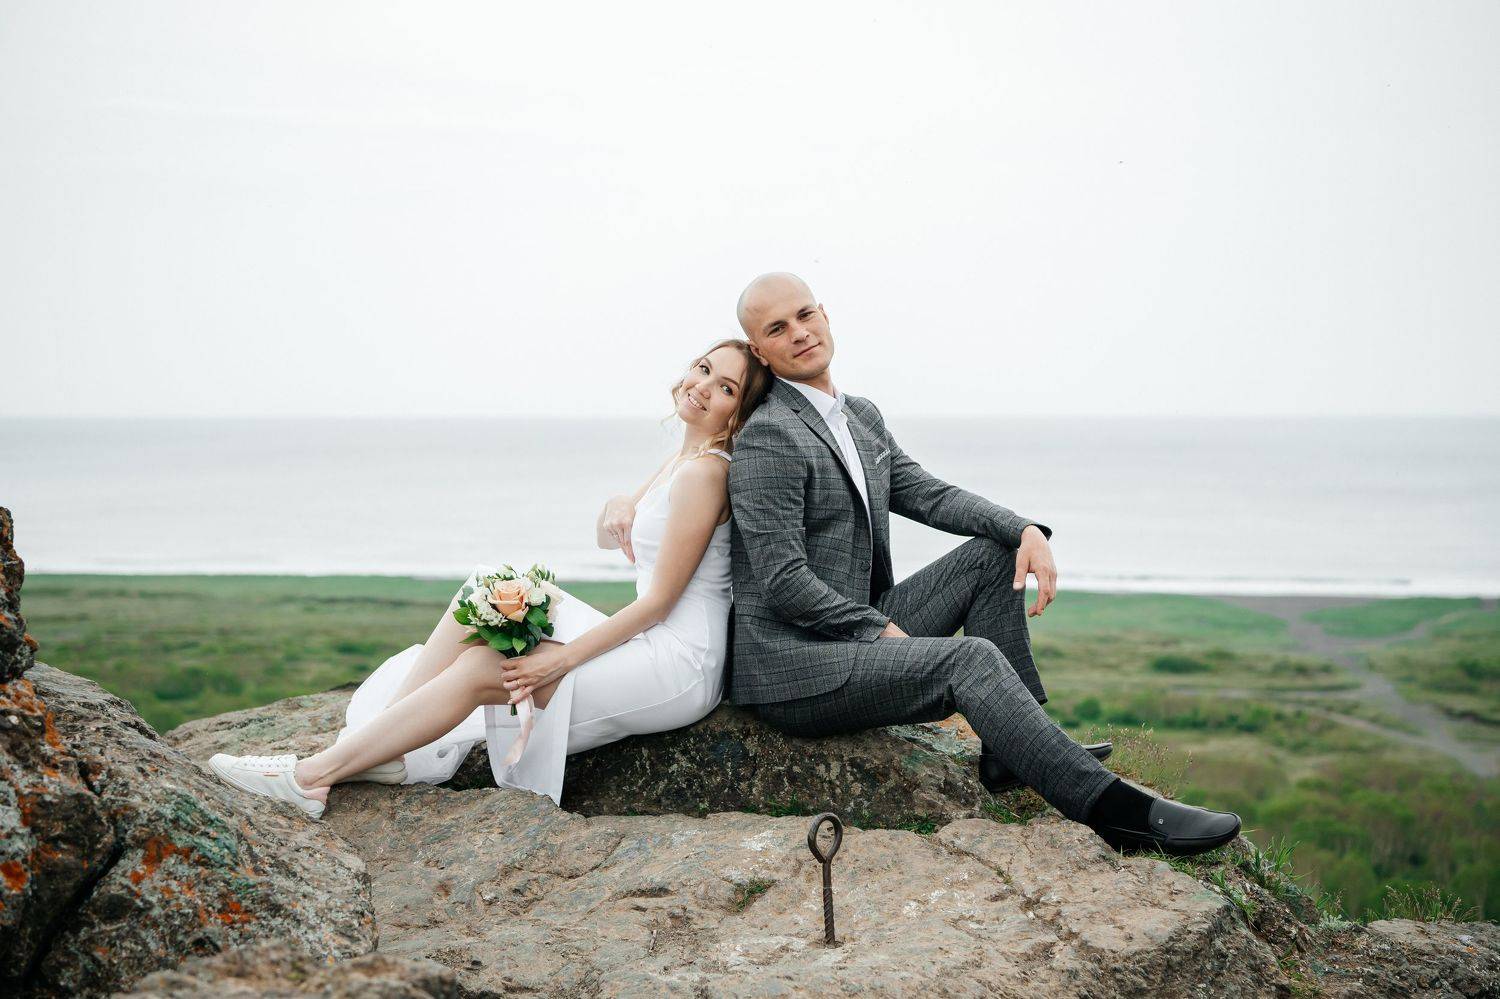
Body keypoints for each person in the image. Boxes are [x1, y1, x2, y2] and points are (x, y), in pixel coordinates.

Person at [726, 272, 1242, 856]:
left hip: (854, 636)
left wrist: (1023, 529)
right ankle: (1119, 814)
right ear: (759, 351)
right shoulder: (771, 437)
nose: (798, 333)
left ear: (824, 314)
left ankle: (1010, 750)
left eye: (804, 315)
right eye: (777, 329)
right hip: (796, 669)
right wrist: (877, 629)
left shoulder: (859, 415)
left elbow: (929, 494)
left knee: (994, 552)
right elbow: (784, 582)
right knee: (967, 658)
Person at [206, 338, 772, 818]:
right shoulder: (685, 457)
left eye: (726, 388)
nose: (704, 387)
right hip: (651, 635)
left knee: (485, 667)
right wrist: (620, 501)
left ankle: (310, 779)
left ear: (738, 414)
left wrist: (558, 661)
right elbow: (612, 540)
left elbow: (659, 603)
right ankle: (376, 747)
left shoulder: (704, 473)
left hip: (676, 660)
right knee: (492, 591)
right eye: (704, 369)